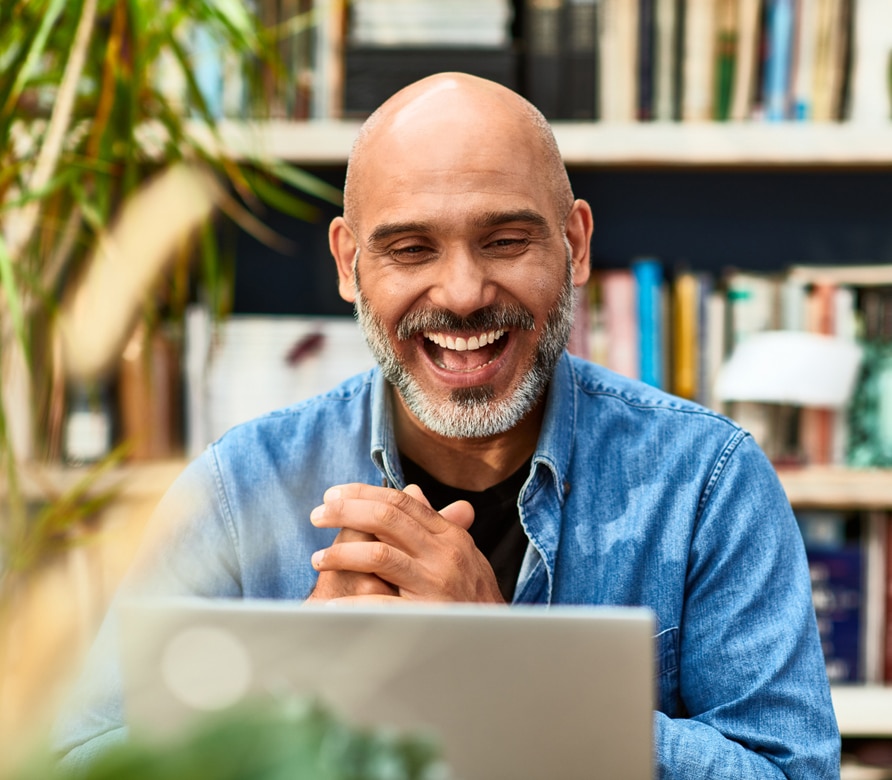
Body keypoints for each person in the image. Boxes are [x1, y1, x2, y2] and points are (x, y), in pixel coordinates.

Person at [54, 72, 839, 778]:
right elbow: (76, 762)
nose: (462, 293)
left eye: (505, 239)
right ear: (347, 263)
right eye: (409, 248)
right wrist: (284, 691)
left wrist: (506, 667)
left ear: (574, 244)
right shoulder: (239, 487)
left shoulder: (708, 482)